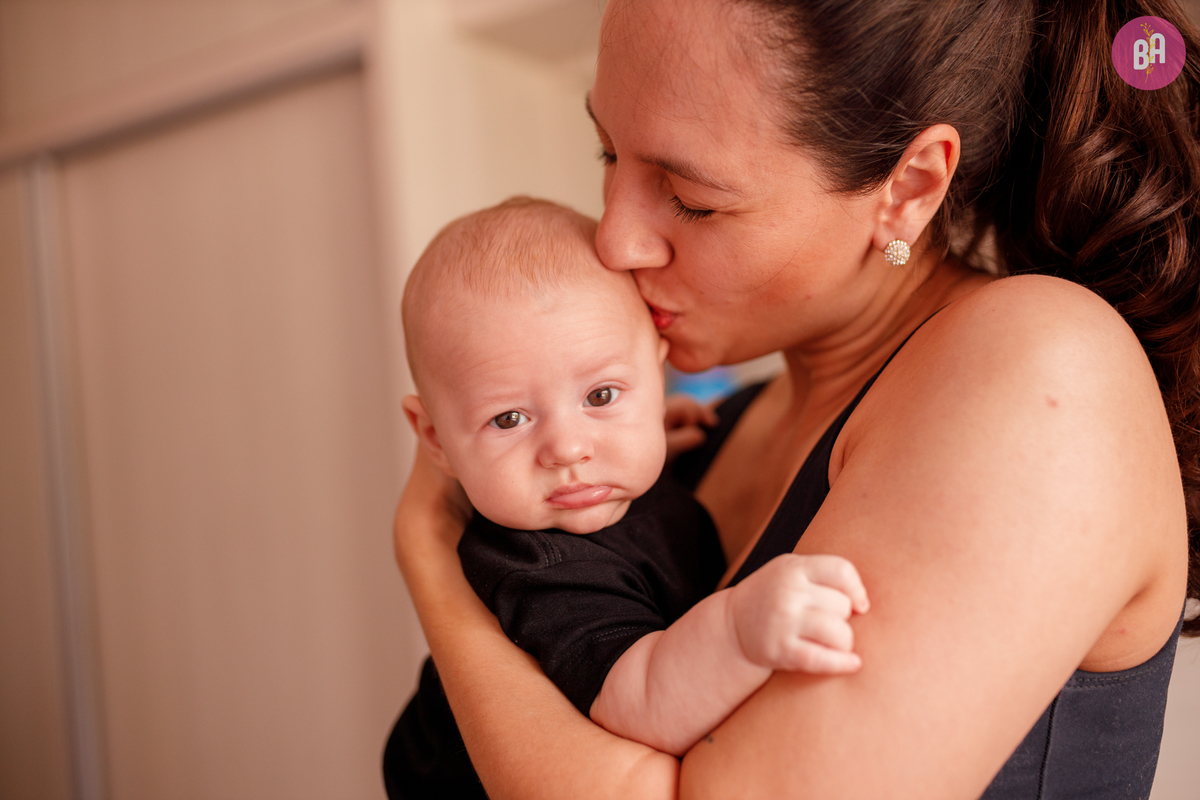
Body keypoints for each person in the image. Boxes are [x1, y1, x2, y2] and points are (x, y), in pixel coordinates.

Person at [387, 0, 1200, 798]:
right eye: (608, 155)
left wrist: (430, 559)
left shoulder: (1044, 369)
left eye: (689, 196)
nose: (614, 239)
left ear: (909, 187)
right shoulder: (696, 443)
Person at [387, 198, 870, 798]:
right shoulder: (537, 563)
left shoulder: (616, 474)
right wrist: (741, 630)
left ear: (656, 375)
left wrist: (644, 427)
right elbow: (640, 698)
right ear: (435, 439)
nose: (567, 448)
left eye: (601, 397)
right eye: (509, 418)